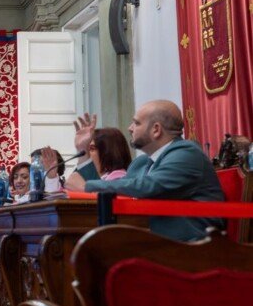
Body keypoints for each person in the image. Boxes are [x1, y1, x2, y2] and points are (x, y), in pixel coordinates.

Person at [66, 101, 224, 241]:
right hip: (151, 242)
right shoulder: (140, 163)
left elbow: (149, 187)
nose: (130, 128)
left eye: (136, 123)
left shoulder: (187, 153)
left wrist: (86, 187)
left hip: (193, 247)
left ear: (156, 129)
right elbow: (114, 189)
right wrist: (83, 150)